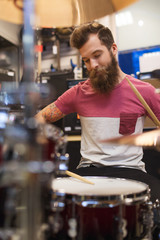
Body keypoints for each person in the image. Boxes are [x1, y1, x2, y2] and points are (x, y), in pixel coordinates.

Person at [35, 22, 160, 202]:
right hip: (89, 172)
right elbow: (41, 117)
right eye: (86, 60)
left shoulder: (144, 91)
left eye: (97, 55)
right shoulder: (79, 92)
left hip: (131, 172)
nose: (92, 65)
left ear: (113, 49)